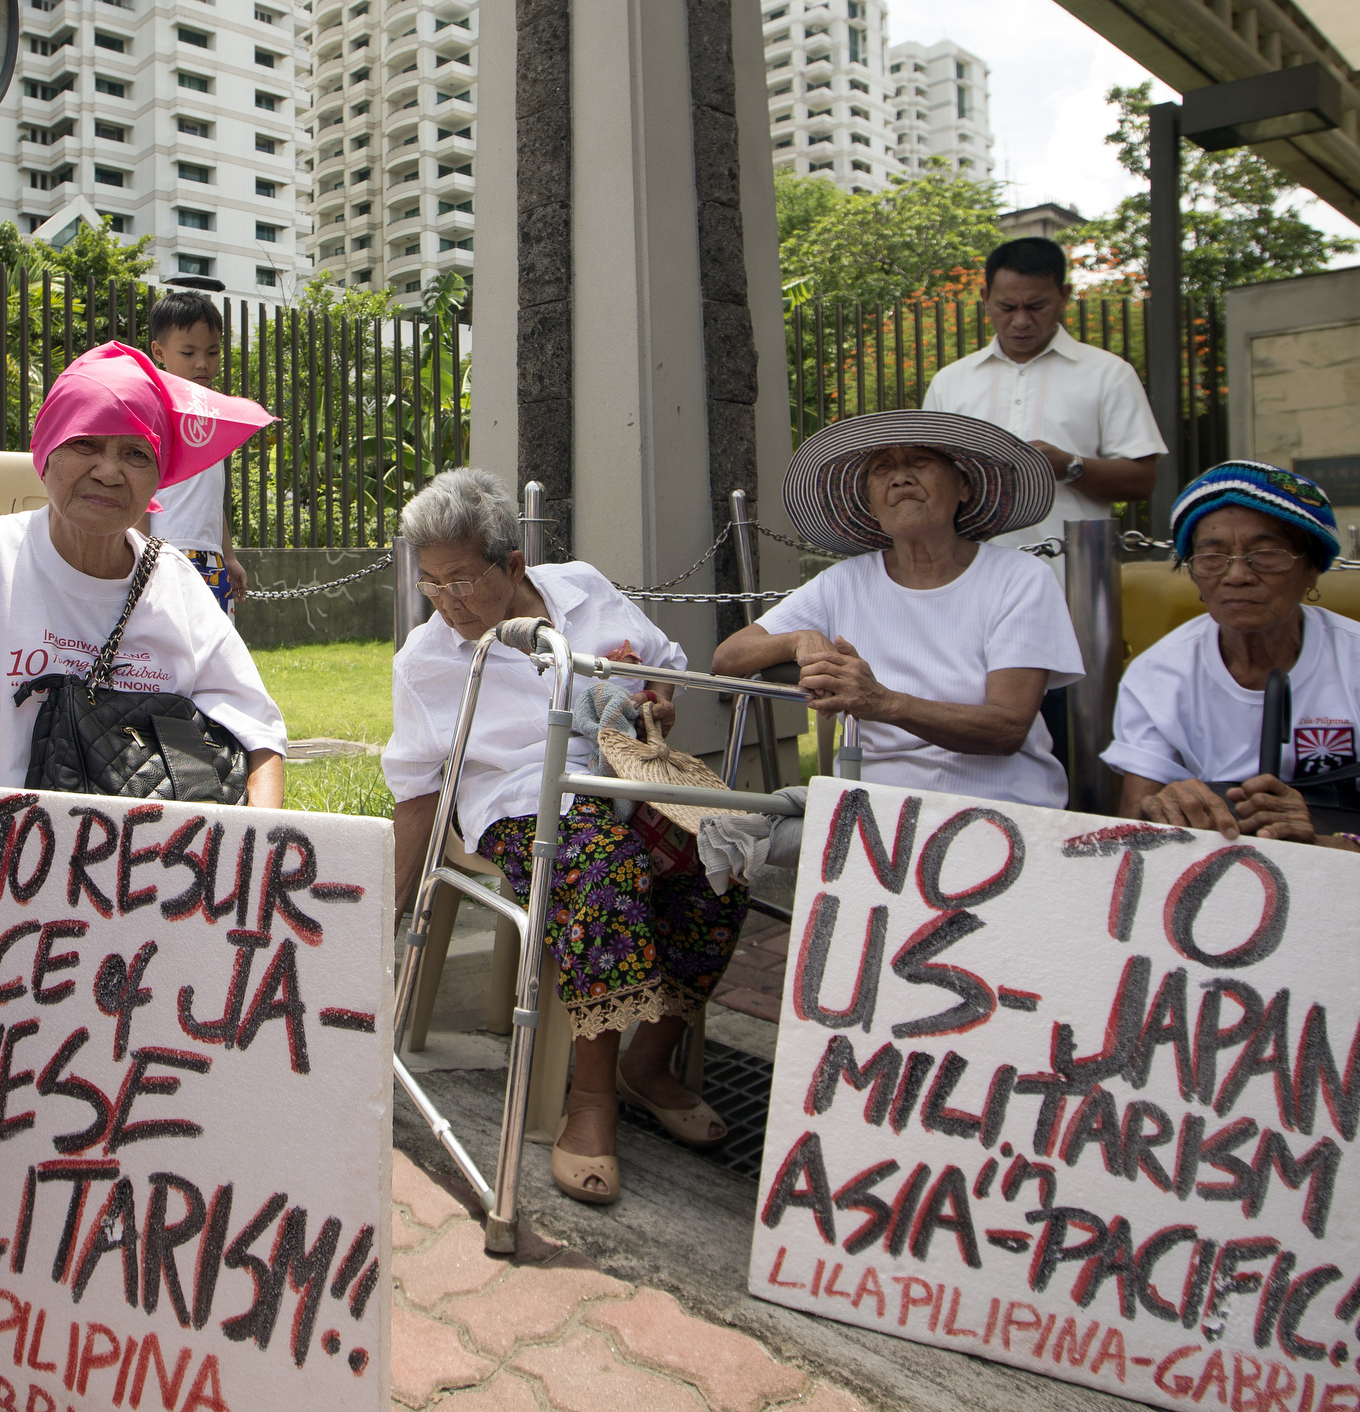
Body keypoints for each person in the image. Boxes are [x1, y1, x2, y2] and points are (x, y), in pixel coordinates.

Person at [1101, 462, 1360, 1329]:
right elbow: (1134, 822)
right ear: (1190, 567)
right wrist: (1171, 807)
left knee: (1358, 995)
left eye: (1266, 552)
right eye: (1213, 553)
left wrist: (1337, 849)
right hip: (1223, 896)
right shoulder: (1164, 671)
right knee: (1122, 981)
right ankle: (1184, 1206)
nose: (1236, 573)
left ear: (1311, 567)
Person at [381, 469, 743, 1208]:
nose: (445, 602)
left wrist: (656, 702)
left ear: (513, 565)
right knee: (602, 867)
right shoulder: (428, 662)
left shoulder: (580, 587)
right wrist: (379, 920)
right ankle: (589, 1097)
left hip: (625, 774)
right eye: (430, 583)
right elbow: (417, 791)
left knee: (722, 858)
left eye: (461, 579)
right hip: (519, 798)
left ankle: (650, 1060)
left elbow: (661, 661)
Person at [0, 342, 287, 834]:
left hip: (141, 875)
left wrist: (254, 845)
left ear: (158, 478)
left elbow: (258, 733)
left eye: (135, 453)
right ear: (46, 453)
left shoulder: (178, 584)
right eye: (85, 444)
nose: (108, 471)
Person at [713, 410, 1083, 807]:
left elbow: (1007, 728)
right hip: (874, 808)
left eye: (920, 462)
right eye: (882, 468)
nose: (900, 478)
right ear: (870, 501)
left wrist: (884, 702)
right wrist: (797, 639)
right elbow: (727, 657)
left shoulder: (1020, 577)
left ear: (964, 487)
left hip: (997, 807)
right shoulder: (844, 581)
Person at [921, 236, 1165, 748]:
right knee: (970, 728)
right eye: (1007, 307)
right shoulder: (952, 382)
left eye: (1037, 306)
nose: (1021, 320)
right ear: (986, 298)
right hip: (970, 591)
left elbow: (1142, 479)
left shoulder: (1106, 375)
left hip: (1070, 590)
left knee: (1074, 735)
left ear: (1064, 297)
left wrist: (1069, 466)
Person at [144, 277, 248, 613]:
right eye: (188, 352)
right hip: (165, 552)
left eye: (212, 352)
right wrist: (142, 554)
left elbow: (211, 494)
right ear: (159, 351)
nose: (202, 363)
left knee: (214, 657)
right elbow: (140, 486)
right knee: (165, 659)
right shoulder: (154, 406)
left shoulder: (211, 411)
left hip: (211, 558)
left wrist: (228, 556)